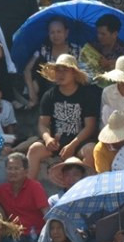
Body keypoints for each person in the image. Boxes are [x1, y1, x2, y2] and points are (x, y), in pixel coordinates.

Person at [26, 53, 99, 181]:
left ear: (74, 73)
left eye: (65, 70)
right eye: (58, 70)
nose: (61, 74)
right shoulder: (49, 95)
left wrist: (72, 145)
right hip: (56, 142)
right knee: (34, 149)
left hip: (80, 142)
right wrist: (48, 138)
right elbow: (43, 123)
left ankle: (88, 189)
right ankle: (27, 189)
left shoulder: (87, 95)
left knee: (90, 150)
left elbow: (90, 126)